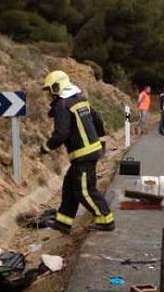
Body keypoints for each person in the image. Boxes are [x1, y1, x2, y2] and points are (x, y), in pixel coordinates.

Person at [40, 70, 114, 234]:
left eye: (50, 89)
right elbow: (98, 120)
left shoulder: (62, 105)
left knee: (84, 191)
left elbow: (61, 133)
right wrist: (101, 143)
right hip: (88, 153)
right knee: (69, 187)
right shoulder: (80, 101)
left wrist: (46, 147)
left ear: (57, 86)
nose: (49, 95)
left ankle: (106, 219)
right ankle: (63, 222)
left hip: (83, 155)